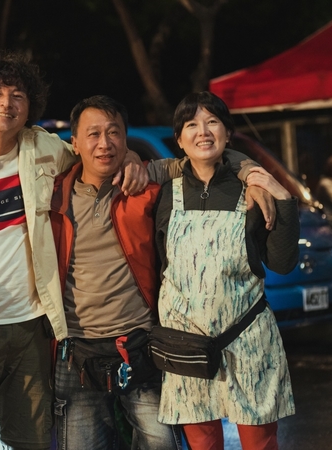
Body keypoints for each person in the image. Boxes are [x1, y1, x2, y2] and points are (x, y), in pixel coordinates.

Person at [0, 51, 152, 450]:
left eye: (18, 95)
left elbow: (97, 155)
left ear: (30, 106)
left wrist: (133, 157)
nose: (7, 103)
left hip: (32, 329)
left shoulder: (46, 150)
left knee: (28, 442)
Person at [49, 96, 273, 450]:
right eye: (93, 134)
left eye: (114, 133)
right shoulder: (51, 197)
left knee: (163, 444)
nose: (104, 143)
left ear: (126, 139)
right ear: (74, 143)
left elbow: (204, 156)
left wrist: (251, 174)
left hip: (141, 346)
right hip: (76, 352)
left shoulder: (146, 187)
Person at [154, 91, 299, 450]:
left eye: (212, 122)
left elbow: (282, 263)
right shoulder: (164, 194)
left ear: (228, 133)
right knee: (202, 445)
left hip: (248, 340)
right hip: (186, 347)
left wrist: (281, 196)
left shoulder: (251, 191)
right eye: (191, 125)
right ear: (179, 139)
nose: (203, 132)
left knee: (260, 444)